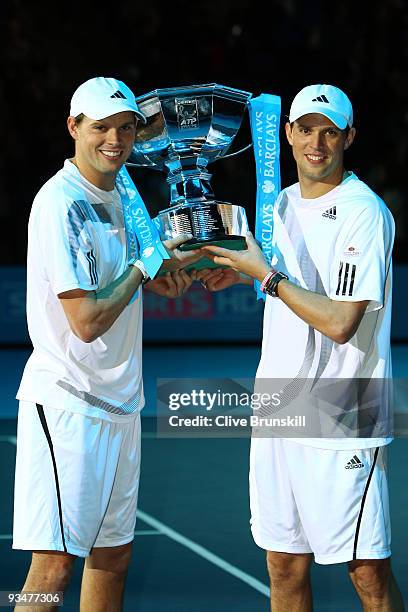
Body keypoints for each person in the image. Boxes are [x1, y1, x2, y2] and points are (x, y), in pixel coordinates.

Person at [198, 84, 404, 611]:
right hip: (279, 410)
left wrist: (264, 277)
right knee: (283, 565)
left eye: (330, 131)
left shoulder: (364, 212)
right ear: (288, 134)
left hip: (342, 414)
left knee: (366, 573)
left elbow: (339, 321)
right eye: (306, 129)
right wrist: (233, 275)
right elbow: (282, 278)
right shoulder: (281, 204)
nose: (317, 142)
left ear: (349, 137)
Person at [13, 76, 200, 611]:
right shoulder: (60, 203)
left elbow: (144, 280)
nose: (115, 140)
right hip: (68, 404)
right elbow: (87, 320)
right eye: (101, 128)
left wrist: (173, 271)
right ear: (73, 128)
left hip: (120, 406)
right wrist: (146, 266)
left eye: (125, 128)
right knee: (51, 568)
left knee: (112, 558)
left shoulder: (122, 195)